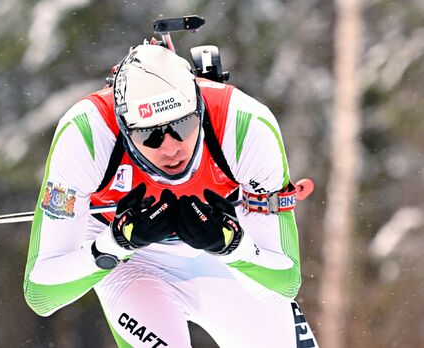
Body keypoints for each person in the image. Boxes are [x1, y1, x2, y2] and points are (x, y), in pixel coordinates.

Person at [23, 43, 319, 347]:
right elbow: (42, 293)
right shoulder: (86, 135)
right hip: (134, 266)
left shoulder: (243, 125)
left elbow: (283, 285)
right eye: (148, 134)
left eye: (182, 125)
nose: (170, 147)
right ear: (124, 128)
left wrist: (233, 247)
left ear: (200, 108)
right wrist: (115, 244)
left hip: (222, 262)